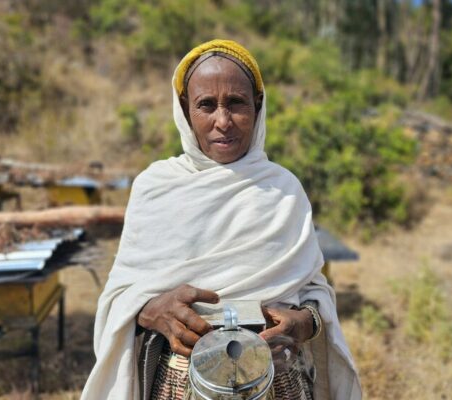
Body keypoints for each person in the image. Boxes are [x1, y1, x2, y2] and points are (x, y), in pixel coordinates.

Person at [81, 39, 361, 400]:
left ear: (258, 106)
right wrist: (150, 310)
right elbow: (121, 293)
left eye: (236, 103)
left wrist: (305, 322)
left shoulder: (284, 189)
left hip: (278, 382)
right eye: (206, 105)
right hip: (179, 384)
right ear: (184, 110)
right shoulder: (155, 187)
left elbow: (313, 290)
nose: (223, 121)